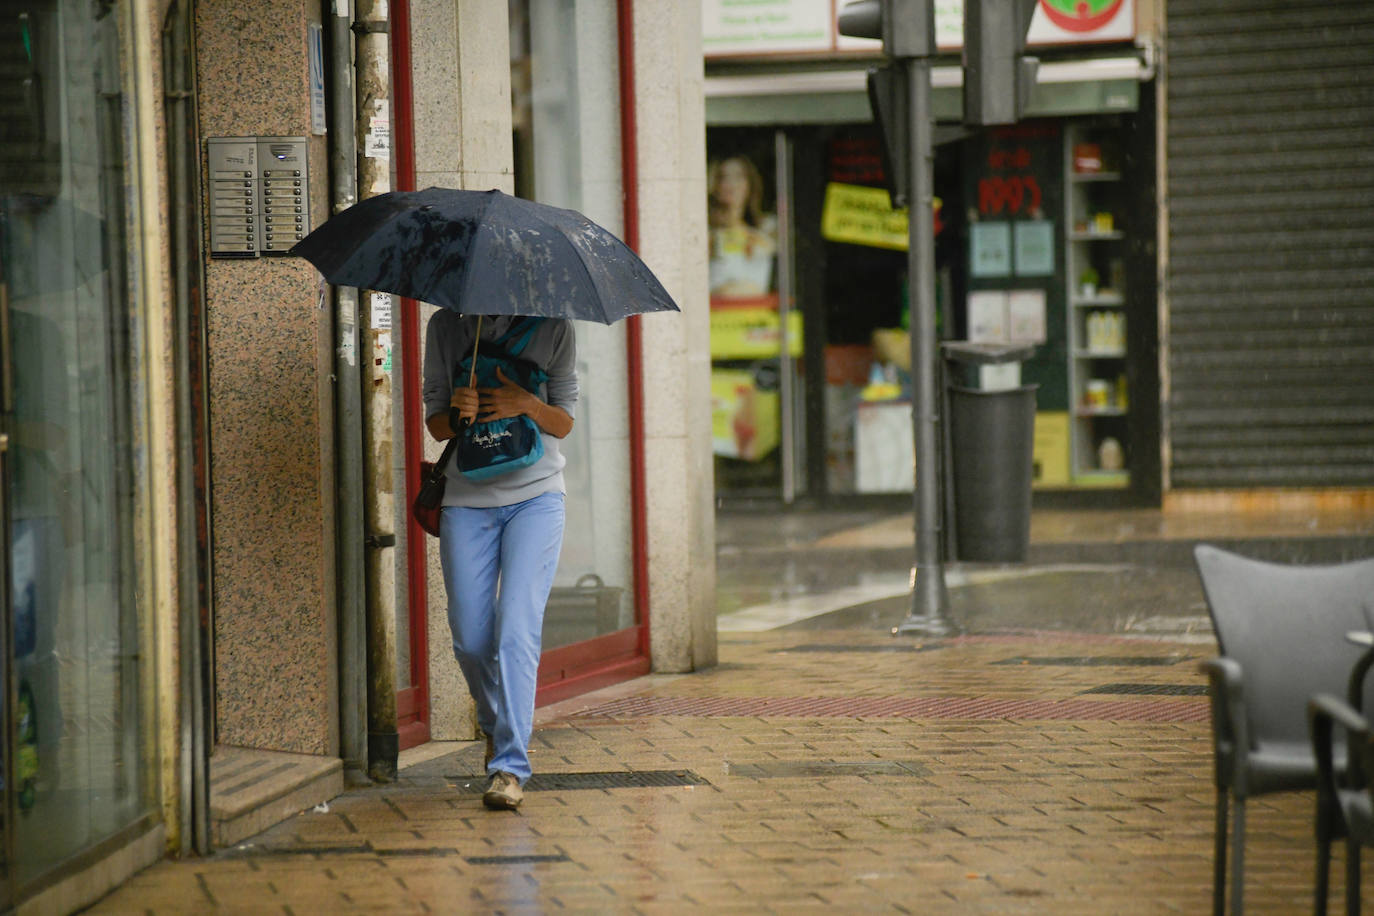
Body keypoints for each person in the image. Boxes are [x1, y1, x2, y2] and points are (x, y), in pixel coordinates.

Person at [423, 311, 577, 810]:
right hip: (467, 502)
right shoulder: (446, 327)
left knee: (516, 626)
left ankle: (509, 766)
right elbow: (435, 425)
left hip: (537, 498)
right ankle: (494, 723)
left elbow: (565, 421)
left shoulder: (555, 326)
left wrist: (528, 404)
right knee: (470, 637)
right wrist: (456, 411)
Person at [707, 155, 777, 299]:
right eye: (723, 177)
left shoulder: (767, 226)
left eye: (738, 177)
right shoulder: (704, 228)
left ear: (750, 184)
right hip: (716, 311)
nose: (731, 184)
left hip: (754, 313)